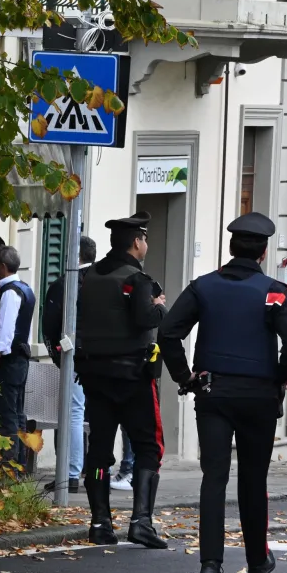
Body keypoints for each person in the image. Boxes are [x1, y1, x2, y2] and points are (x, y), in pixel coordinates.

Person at [159, 212, 287, 573]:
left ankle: (210, 565)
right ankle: (257, 562)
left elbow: (168, 332)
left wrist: (183, 375)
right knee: (253, 480)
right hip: (258, 396)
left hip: (212, 392)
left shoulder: (203, 287)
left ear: (230, 247)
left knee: (214, 478)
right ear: (264, 251)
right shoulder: (274, 291)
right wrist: (278, 380)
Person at [76, 211, 168, 548]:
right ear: (136, 243)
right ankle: (141, 521)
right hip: (132, 376)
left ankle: (100, 521)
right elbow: (145, 318)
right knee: (148, 447)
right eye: (144, 239)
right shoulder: (137, 280)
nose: (145, 244)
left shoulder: (90, 277)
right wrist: (160, 306)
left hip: (94, 376)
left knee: (99, 454)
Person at [41, 235, 97, 494]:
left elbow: (50, 324)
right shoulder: (103, 281)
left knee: (73, 413)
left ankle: (70, 474)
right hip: (102, 357)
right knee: (96, 415)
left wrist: (56, 355)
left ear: (76, 257)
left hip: (74, 357)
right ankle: (93, 472)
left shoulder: (65, 284)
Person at [0, 247, 35, 463]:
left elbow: (5, 331)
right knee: (18, 413)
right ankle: (20, 465)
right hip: (21, 358)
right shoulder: (26, 289)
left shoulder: (10, 293)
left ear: (3, 267)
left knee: (7, 415)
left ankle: (9, 467)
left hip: (10, 360)